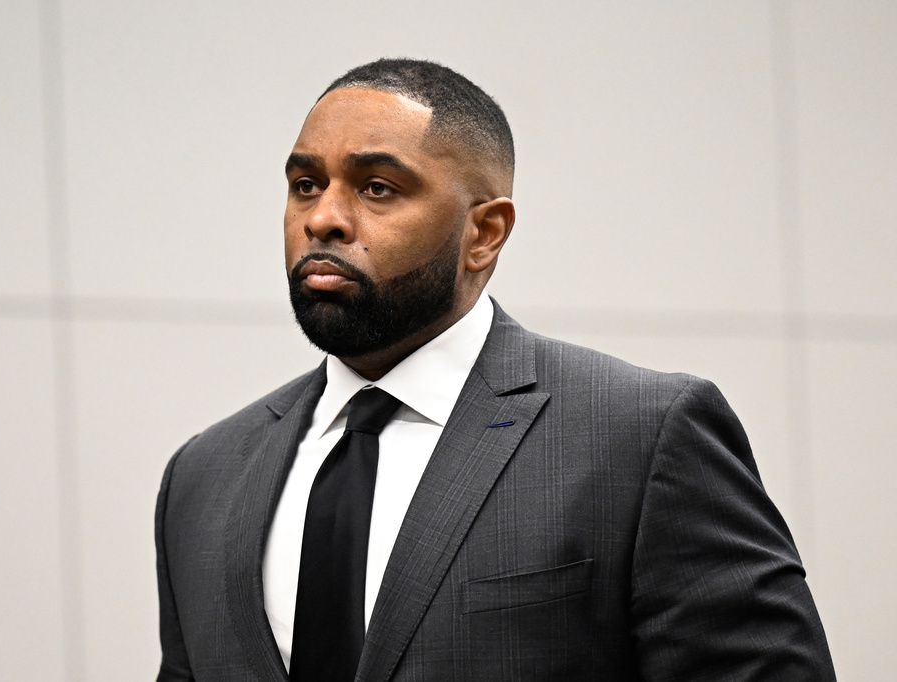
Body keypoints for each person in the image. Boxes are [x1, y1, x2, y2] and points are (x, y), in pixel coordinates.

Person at [154, 58, 834, 681]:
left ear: (484, 234)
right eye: (306, 185)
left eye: (378, 187)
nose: (324, 218)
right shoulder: (204, 476)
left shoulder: (639, 438)